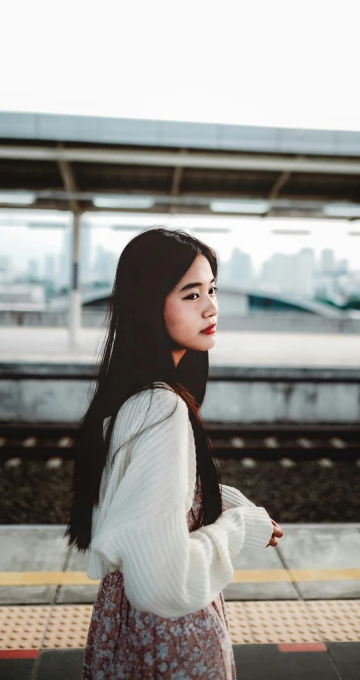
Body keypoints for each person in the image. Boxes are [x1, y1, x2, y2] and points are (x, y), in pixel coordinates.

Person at [65, 226, 282, 679]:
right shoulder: (161, 408)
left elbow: (149, 493)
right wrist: (239, 527)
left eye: (212, 290)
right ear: (148, 305)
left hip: (126, 630)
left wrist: (233, 503)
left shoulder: (135, 396)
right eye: (190, 294)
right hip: (171, 641)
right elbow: (167, 580)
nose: (211, 306)